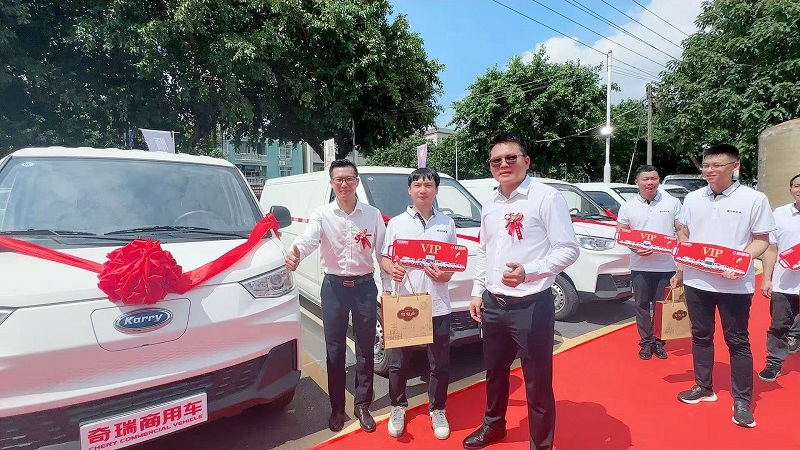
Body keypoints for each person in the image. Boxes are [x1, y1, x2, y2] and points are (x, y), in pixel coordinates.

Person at [463, 133, 579, 450]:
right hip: (494, 303)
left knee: (537, 380)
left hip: (532, 306)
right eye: (496, 160)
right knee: (495, 373)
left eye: (511, 158)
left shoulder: (546, 198)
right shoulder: (490, 203)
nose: (503, 164)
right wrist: (477, 291)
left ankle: (541, 443)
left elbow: (568, 249)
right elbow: (485, 250)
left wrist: (530, 270)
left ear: (526, 161)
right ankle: (494, 425)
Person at [671, 144, 775, 428]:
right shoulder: (692, 199)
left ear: (734, 166)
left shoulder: (754, 199)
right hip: (697, 280)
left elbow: (762, 240)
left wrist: (740, 262)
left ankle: (742, 400)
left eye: (717, 165)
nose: (710, 170)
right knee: (700, 336)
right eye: (706, 165)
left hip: (734, 285)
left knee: (737, 341)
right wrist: (681, 269)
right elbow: (685, 236)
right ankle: (703, 387)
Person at [284, 159, 389, 433]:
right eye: (339, 180)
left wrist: (389, 287)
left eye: (349, 179)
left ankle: (362, 404)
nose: (344, 184)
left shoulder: (372, 215)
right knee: (335, 350)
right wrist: (296, 252)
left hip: (365, 287)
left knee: (365, 349)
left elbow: (383, 253)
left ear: (357, 182)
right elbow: (308, 239)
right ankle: (337, 408)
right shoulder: (323, 214)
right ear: (332, 184)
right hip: (334, 289)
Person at [379, 167, 457, 440]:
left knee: (440, 363)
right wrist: (391, 270)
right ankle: (398, 406)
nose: (423, 190)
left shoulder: (447, 223)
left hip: (438, 304)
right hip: (406, 304)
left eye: (428, 184)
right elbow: (384, 258)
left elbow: (452, 263)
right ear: (409, 190)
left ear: (436, 189)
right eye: (418, 185)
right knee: (399, 362)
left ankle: (438, 409)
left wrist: (445, 274)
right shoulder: (396, 223)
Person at [617, 165, 682, 360]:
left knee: (662, 306)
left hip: (666, 266)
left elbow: (681, 232)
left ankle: (659, 342)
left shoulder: (672, 203)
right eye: (645, 179)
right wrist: (635, 248)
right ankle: (646, 342)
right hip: (639, 266)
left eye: (654, 178)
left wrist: (681, 265)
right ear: (636, 182)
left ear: (659, 180)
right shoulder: (628, 206)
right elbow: (621, 233)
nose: (650, 182)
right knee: (642, 305)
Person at [758, 173, 800, 381]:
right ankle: (774, 362)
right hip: (785, 282)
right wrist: (767, 278)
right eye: (797, 186)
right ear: (791, 190)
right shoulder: (779, 214)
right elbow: (771, 248)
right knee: (779, 325)